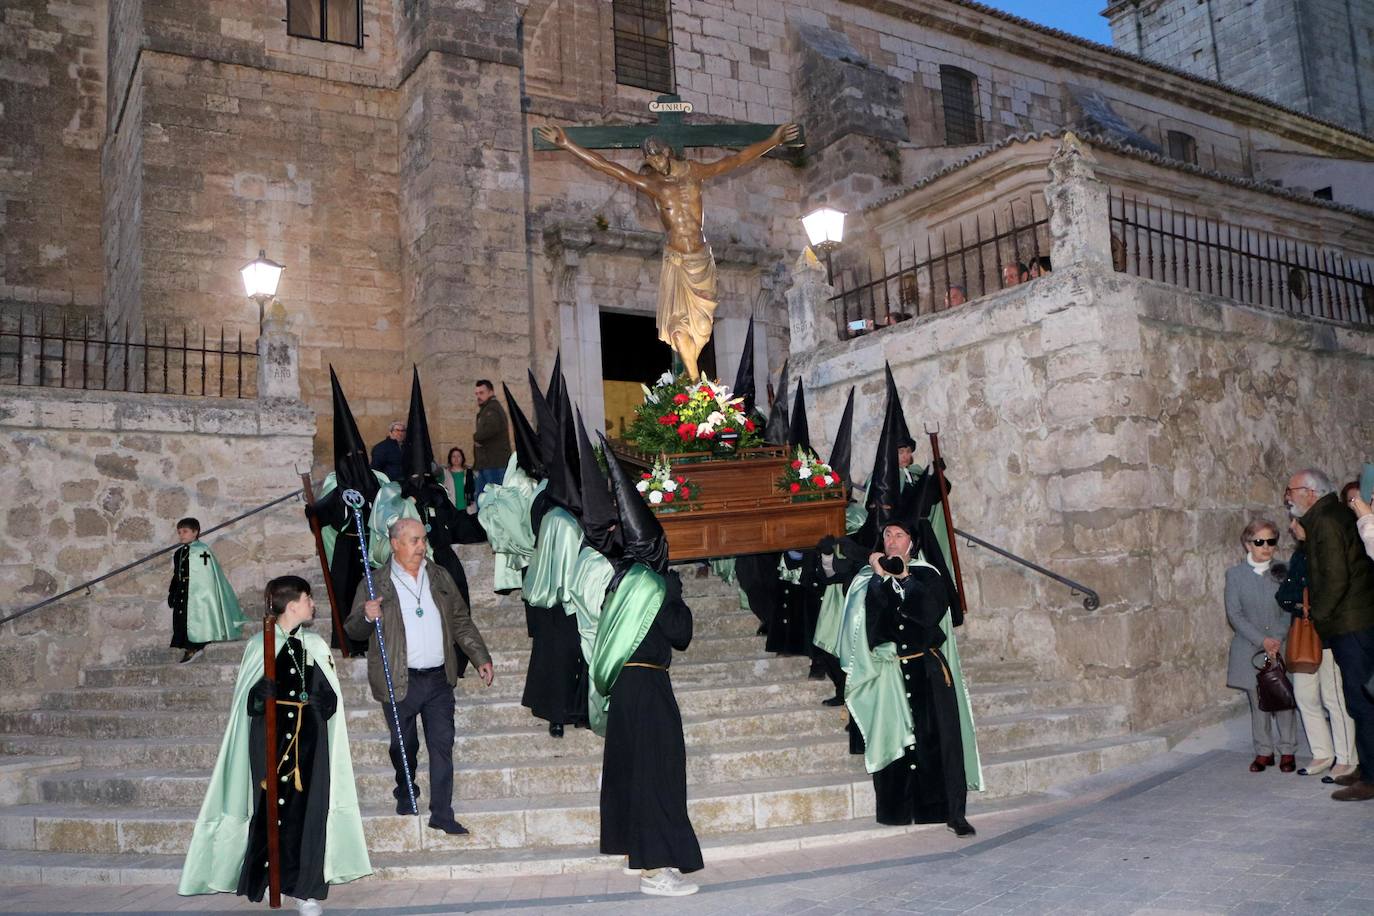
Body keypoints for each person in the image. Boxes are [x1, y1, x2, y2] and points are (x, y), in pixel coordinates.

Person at [537, 122, 799, 380]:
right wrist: (568, 144)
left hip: (701, 259)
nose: (656, 166)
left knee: (703, 329)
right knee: (677, 327)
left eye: (657, 159)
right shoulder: (654, 185)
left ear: (667, 153)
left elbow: (737, 160)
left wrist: (773, 141)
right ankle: (695, 381)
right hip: (677, 259)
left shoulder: (695, 172)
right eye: (650, 163)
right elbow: (610, 168)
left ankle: (690, 378)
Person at [179, 576, 371, 914]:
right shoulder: (259, 645)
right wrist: (258, 696)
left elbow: (330, 700)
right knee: (270, 811)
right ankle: (271, 880)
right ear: (293, 604)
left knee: (306, 815)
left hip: (309, 747)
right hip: (268, 743)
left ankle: (305, 890)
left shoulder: (314, 645)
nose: (314, 604)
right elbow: (246, 705)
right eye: (309, 598)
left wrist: (319, 700)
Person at [596, 436, 703, 896]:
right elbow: (681, 634)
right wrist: (674, 592)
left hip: (624, 688)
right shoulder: (655, 587)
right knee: (659, 772)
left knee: (630, 769)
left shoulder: (622, 583)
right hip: (650, 686)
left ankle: (629, 848)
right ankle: (656, 867)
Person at [345, 518, 495, 833]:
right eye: (414, 540)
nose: (421, 546)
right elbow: (352, 630)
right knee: (406, 744)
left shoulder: (439, 576)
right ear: (396, 544)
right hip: (399, 679)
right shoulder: (376, 583)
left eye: (423, 539)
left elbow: (460, 620)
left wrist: (479, 656)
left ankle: (442, 812)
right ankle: (405, 786)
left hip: (439, 678)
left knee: (442, 743)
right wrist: (366, 615)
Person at [844, 520, 977, 837]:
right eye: (887, 534)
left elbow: (928, 613)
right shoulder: (868, 580)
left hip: (927, 671)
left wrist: (903, 577)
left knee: (941, 740)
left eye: (898, 535)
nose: (891, 540)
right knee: (896, 739)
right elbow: (874, 628)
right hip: (890, 673)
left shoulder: (928, 575)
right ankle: (898, 811)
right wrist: (880, 580)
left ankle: (952, 812)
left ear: (911, 544)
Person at [1283, 467, 1374, 801]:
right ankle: (1366, 767)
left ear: (1310, 491)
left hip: (1350, 625)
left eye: (1290, 490)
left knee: (1361, 701)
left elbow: (1334, 578)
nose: (1287, 497)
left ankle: (1371, 776)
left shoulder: (1327, 521)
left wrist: (1317, 619)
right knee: (1358, 699)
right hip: (1350, 621)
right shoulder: (1325, 519)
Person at [1276, 519, 1359, 780]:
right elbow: (1285, 595)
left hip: (1329, 637)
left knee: (1334, 698)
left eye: (1296, 521)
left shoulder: (1331, 551)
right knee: (1304, 695)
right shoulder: (1300, 554)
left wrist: (1311, 602)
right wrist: (1301, 601)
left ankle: (1347, 758)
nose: (1291, 526)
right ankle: (1323, 753)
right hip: (1305, 636)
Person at [1224, 518, 1298, 773]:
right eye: (1259, 542)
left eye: (1271, 541)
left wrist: (1276, 638)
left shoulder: (1284, 570)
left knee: (1284, 698)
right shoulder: (1234, 575)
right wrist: (1262, 641)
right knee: (1258, 702)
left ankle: (1288, 749)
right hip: (1250, 647)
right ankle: (1263, 751)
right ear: (1247, 544)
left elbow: (1289, 608)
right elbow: (1234, 614)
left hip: (1281, 645)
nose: (1266, 547)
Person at [168, 517, 247, 664]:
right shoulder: (179, 553)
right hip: (183, 591)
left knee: (196, 618)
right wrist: (172, 592)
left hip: (198, 592)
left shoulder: (203, 551)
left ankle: (195, 646)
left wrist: (205, 593)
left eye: (185, 531)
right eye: (179, 532)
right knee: (182, 618)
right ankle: (186, 645)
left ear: (195, 532)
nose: (181, 535)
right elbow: (176, 574)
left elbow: (207, 574)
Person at [472, 379, 511, 500]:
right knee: (483, 499)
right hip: (488, 464)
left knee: (494, 500)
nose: (478, 396)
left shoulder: (492, 409)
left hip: (494, 464)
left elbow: (490, 429)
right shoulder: (487, 409)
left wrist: (476, 437)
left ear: (491, 392)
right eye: (477, 393)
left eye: (481, 393)